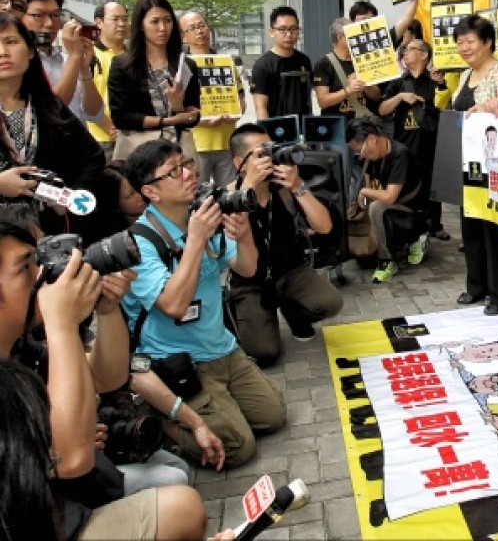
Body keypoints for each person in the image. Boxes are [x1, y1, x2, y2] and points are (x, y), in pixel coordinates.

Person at [0, 219, 209, 541]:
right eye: (25, 267)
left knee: (175, 474)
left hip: (65, 500)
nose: (42, 276)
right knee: (182, 506)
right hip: (36, 524)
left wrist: (108, 311)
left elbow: (108, 379)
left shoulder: (19, 348)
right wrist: (62, 324)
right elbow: (70, 460)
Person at [121, 139, 286, 468]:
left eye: (186, 164)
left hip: (223, 348)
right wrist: (195, 240)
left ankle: (219, 404)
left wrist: (244, 235)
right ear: (150, 192)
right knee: (239, 448)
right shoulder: (139, 242)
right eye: (173, 171)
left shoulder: (201, 212)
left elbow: (247, 268)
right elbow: (173, 306)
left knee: (274, 417)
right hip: (181, 362)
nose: (187, 174)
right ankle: (164, 421)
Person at [228, 123, 344, 366]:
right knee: (264, 353)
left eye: (271, 150)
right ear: (239, 164)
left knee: (331, 303)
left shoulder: (283, 189)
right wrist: (248, 187)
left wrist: (298, 185)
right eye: (262, 153)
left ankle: (293, 311)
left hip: (290, 270)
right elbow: (232, 243)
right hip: (252, 282)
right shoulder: (227, 198)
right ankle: (256, 317)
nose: (270, 159)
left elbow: (324, 227)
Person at [0, 13, 105, 236]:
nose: (3, 52)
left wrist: (68, 197)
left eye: (11, 41)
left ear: (30, 51)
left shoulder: (48, 106)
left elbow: (93, 157)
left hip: (49, 231)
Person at [448, 15, 498, 315]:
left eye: (470, 41)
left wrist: (496, 106)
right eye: (460, 42)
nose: (464, 48)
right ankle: (476, 286)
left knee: (497, 228)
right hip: (470, 163)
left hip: (497, 165)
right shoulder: (466, 75)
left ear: (488, 42)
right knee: (472, 226)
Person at [107, 0, 202, 163]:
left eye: (168, 20)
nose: (163, 28)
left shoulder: (186, 65)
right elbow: (122, 118)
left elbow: (192, 119)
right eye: (155, 21)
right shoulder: (123, 64)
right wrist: (168, 121)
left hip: (177, 153)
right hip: (140, 153)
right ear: (141, 25)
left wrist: (179, 106)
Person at [345, 117, 428, 283]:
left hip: (410, 211)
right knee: (371, 208)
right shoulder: (370, 158)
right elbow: (368, 188)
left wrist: (365, 192)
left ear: (372, 140)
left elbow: (390, 196)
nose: (360, 156)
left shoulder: (400, 154)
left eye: (360, 151)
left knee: (376, 207)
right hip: (390, 208)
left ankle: (387, 260)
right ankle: (389, 245)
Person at [377, 38, 444, 240]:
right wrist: (399, 98)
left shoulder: (434, 81)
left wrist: (441, 85)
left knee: (433, 185)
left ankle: (435, 225)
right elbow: (381, 110)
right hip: (405, 143)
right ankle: (408, 225)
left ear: (424, 55)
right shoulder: (398, 83)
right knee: (407, 186)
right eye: (403, 50)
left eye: (410, 49)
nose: (404, 53)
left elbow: (444, 105)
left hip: (430, 142)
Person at [312, 16, 379, 205]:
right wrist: (348, 90)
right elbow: (323, 101)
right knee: (341, 173)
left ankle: (354, 209)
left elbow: (375, 95)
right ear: (341, 37)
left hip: (363, 129)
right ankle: (339, 212)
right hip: (337, 129)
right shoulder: (324, 64)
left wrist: (365, 86)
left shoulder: (363, 60)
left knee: (362, 173)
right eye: (353, 33)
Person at [20, 0, 105, 125]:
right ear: (20, 17)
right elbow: (53, 109)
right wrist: (74, 56)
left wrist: (84, 70)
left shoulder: (68, 60)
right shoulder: (17, 64)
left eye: (55, 15)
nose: (49, 23)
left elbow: (95, 113)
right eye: (38, 16)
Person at [180, 11, 243, 187]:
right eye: (192, 28)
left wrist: (236, 113)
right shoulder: (181, 66)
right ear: (183, 35)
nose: (199, 31)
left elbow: (240, 98)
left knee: (230, 195)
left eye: (201, 25)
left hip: (227, 142)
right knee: (197, 197)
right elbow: (177, 107)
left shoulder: (225, 61)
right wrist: (201, 120)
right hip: (196, 145)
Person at [251, 6, 313, 120]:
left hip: (305, 128)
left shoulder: (304, 60)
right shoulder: (263, 65)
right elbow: (261, 108)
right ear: (271, 32)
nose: (289, 34)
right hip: (277, 130)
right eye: (282, 29)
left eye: (293, 29)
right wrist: (267, 134)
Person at [88, 1, 130, 159]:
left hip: (134, 135)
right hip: (101, 139)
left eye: (125, 19)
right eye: (115, 19)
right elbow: (83, 99)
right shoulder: (89, 55)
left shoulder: (134, 56)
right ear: (99, 22)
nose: (121, 24)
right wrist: (110, 128)